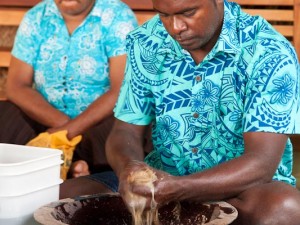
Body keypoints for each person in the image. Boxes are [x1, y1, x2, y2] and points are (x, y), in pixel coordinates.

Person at [61, 0, 300, 224]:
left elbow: (261, 163)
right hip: (160, 187)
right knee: (58, 197)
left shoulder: (267, 52)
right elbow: (125, 131)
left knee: (284, 208)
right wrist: (129, 170)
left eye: (188, 13)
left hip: (240, 191)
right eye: (164, 14)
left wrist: (178, 187)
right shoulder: (147, 41)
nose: (175, 28)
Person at [0, 0, 138, 177]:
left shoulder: (117, 15)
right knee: (6, 112)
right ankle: (72, 165)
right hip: (46, 121)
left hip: (98, 122)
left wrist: (68, 131)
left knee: (125, 127)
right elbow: (17, 86)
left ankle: (55, 164)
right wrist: (64, 127)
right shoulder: (36, 18)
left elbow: (121, 90)